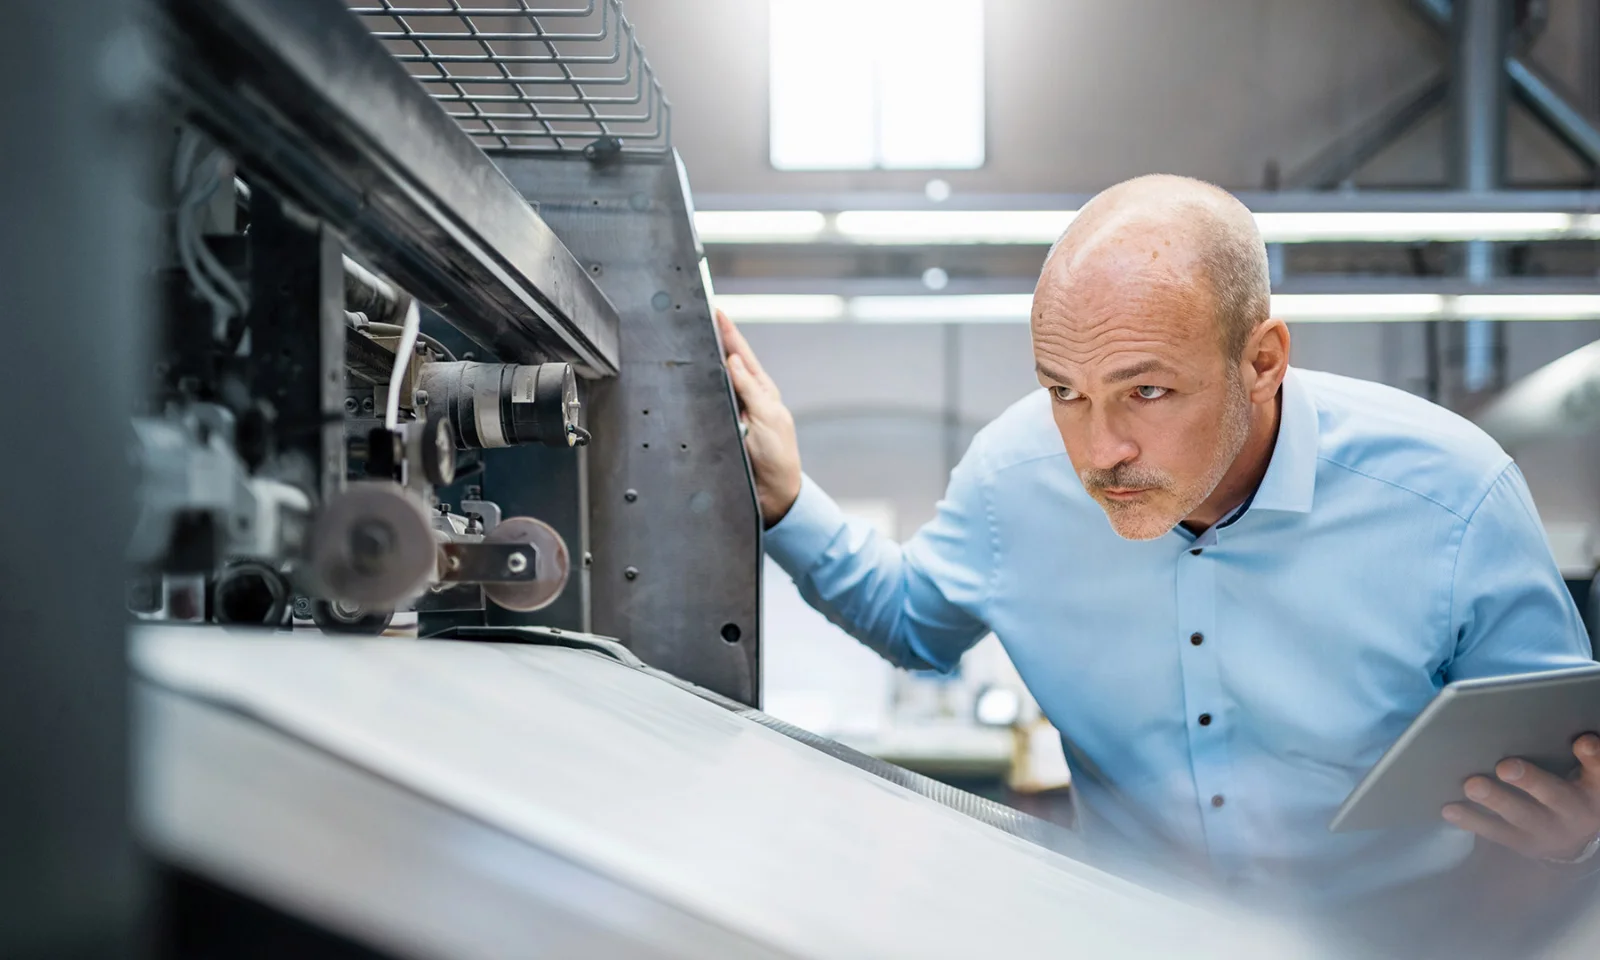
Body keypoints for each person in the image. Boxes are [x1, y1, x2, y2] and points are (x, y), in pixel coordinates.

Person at [716, 175, 1600, 923]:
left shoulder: (1452, 499)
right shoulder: (1011, 480)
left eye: (1146, 390)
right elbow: (913, 622)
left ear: (1262, 361)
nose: (1099, 451)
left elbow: (1564, 762)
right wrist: (787, 499)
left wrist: (1576, 837)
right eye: (1064, 391)